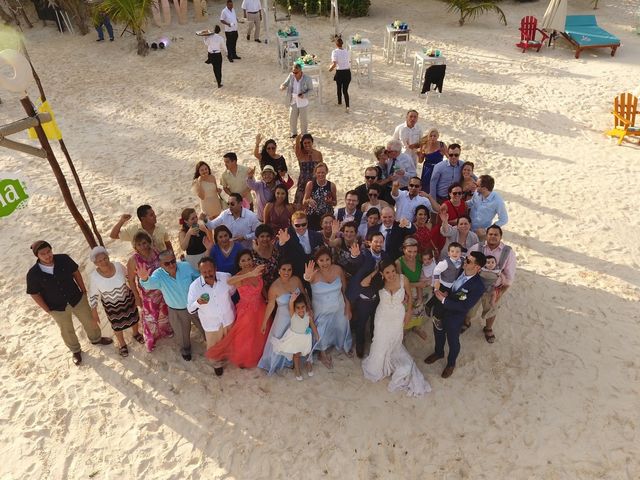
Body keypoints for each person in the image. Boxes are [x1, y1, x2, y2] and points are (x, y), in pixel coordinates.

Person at [26, 241, 113, 366]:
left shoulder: (64, 259)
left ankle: (96, 339)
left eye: (49, 251)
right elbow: (34, 293)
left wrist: (83, 290)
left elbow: (76, 272)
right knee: (66, 330)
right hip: (56, 307)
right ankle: (75, 350)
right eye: (43, 254)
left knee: (89, 320)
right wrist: (47, 309)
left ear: (51, 250)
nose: (47, 255)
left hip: (76, 298)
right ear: (37, 256)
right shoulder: (33, 274)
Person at [362, 259, 431, 396]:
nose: (391, 274)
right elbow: (364, 283)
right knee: (380, 340)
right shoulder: (379, 282)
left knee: (395, 341)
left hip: (398, 315)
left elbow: (410, 297)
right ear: (382, 273)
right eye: (387, 272)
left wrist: (409, 312)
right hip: (382, 316)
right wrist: (377, 272)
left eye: (393, 271)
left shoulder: (402, 279)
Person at [425, 251, 486, 378]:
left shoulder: (478, 286)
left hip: (455, 316)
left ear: (477, 268)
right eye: (466, 259)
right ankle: (438, 353)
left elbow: (464, 305)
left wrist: (444, 300)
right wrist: (444, 294)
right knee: (438, 333)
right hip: (441, 309)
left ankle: (451, 364)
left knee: (453, 341)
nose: (464, 261)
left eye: (469, 261)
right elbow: (449, 285)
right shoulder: (459, 270)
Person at [137, 250, 204, 361]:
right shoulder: (158, 274)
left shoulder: (185, 266)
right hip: (176, 310)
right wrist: (144, 278)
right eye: (167, 263)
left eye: (173, 261)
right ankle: (186, 349)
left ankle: (214, 345)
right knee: (182, 334)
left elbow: (198, 278)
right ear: (160, 264)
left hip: (195, 305)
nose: (172, 265)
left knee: (205, 326)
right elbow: (149, 284)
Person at [206, 250, 268, 368]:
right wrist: (250, 274)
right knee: (245, 336)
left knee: (259, 333)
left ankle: (258, 355)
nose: (246, 262)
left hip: (260, 307)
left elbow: (262, 286)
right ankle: (244, 358)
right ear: (239, 263)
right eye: (243, 261)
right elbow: (229, 281)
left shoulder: (258, 271)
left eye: (249, 259)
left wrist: (266, 298)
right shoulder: (238, 277)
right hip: (246, 311)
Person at [88, 247, 143, 357]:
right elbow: (93, 295)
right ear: (95, 263)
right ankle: (122, 344)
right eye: (100, 261)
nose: (103, 262)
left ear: (108, 257)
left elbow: (130, 277)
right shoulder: (94, 277)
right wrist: (94, 312)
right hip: (111, 305)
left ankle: (136, 333)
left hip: (127, 298)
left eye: (105, 258)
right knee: (117, 325)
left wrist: (137, 293)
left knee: (133, 317)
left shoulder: (118, 266)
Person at [303, 249, 352, 368]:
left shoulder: (338, 269)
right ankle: (322, 353)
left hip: (339, 306)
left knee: (342, 325)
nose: (325, 263)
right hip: (321, 310)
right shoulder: (313, 273)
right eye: (321, 260)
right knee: (321, 331)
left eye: (327, 260)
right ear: (316, 261)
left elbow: (344, 289)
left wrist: (348, 305)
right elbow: (307, 279)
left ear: (331, 259)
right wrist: (307, 275)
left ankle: (343, 345)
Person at [187, 257, 236, 376]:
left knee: (230, 341)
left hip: (228, 319)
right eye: (204, 272)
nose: (208, 274)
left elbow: (232, 291)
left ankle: (231, 358)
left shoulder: (226, 277)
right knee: (214, 347)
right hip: (211, 324)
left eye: (210, 271)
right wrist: (198, 302)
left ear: (215, 269)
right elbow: (190, 309)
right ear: (200, 272)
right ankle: (217, 365)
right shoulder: (194, 287)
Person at [258, 259, 308, 374]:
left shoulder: (296, 280)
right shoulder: (274, 287)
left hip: (298, 316)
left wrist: (309, 308)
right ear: (279, 271)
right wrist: (264, 322)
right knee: (282, 340)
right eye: (284, 269)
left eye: (289, 270)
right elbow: (270, 305)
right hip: (283, 318)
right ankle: (284, 362)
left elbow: (304, 295)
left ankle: (294, 361)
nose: (287, 272)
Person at [468, 225, 516, 343]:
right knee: (470, 307)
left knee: (491, 309)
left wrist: (500, 293)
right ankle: (466, 322)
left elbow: (509, 275)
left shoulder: (508, 252)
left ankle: (488, 328)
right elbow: (467, 263)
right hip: (476, 285)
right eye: (490, 234)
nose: (493, 237)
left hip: (494, 288)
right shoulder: (477, 247)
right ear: (486, 235)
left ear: (500, 236)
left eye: (496, 235)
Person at [127, 232, 172, 352]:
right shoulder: (133, 260)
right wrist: (136, 296)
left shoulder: (156, 252)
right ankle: (151, 339)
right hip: (147, 295)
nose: (143, 246)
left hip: (162, 290)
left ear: (149, 242)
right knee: (149, 318)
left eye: (144, 243)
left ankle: (165, 331)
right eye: (139, 244)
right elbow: (131, 280)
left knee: (163, 313)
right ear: (135, 246)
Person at [346, 232, 388, 358]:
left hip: (377, 296)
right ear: (369, 242)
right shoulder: (364, 254)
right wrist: (354, 256)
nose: (379, 244)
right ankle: (360, 345)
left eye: (381, 241)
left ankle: (375, 343)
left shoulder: (385, 255)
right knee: (361, 323)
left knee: (376, 322)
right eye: (376, 241)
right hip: (363, 297)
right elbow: (356, 261)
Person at [272, 290, 319, 380]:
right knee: (296, 355)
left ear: (306, 307)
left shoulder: (308, 315)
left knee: (308, 353)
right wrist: (292, 300)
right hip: (295, 338)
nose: (301, 310)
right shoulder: (293, 315)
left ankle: (309, 365)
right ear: (294, 308)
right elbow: (290, 306)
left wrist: (316, 334)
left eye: (303, 307)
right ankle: (297, 370)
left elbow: (312, 324)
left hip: (306, 338)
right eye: (298, 307)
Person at [275, 211, 324, 281]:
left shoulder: (317, 236)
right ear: (292, 224)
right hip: (296, 275)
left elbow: (322, 253)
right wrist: (282, 242)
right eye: (297, 225)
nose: (301, 227)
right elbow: (280, 252)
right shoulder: (288, 237)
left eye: (304, 224)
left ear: (307, 222)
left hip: (315, 273)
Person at [395, 238, 428, 339]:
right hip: (406, 292)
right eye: (409, 251)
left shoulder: (419, 258)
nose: (412, 254)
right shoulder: (398, 262)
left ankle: (416, 327)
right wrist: (418, 284)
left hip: (419, 290)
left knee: (419, 310)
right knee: (406, 312)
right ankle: (404, 330)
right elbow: (401, 283)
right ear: (404, 249)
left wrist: (420, 290)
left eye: (415, 251)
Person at [466, 174, 508, 240]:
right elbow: (471, 202)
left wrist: (487, 229)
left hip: (481, 233)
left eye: (477, 185)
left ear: (484, 189)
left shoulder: (497, 201)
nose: (475, 186)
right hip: (468, 227)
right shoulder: (477, 192)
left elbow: (504, 219)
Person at [280, 63, 313, 138]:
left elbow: (311, 91)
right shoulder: (291, 76)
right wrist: (282, 86)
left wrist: (304, 95)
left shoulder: (307, 78)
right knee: (292, 118)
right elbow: (285, 84)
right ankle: (293, 133)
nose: (294, 74)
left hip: (303, 101)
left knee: (303, 120)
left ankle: (304, 134)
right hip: (293, 100)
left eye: (296, 72)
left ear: (301, 71)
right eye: (293, 72)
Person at [303, 162, 337, 231]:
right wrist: (309, 200)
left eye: (322, 172)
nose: (320, 174)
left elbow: (335, 202)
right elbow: (304, 202)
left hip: (326, 216)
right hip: (313, 215)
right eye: (318, 173)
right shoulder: (311, 184)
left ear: (326, 172)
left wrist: (330, 202)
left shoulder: (331, 185)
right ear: (315, 173)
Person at [294, 133, 323, 206]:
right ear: (302, 144)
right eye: (305, 143)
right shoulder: (300, 153)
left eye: (309, 142)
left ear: (312, 142)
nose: (307, 144)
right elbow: (296, 147)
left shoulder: (318, 154)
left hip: (315, 183)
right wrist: (298, 139)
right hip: (302, 183)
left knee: (314, 206)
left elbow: (321, 169)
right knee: (299, 206)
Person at [418, 128, 448, 193]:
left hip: (438, 169)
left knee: (437, 187)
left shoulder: (441, 145)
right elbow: (420, 161)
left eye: (434, 136)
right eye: (431, 136)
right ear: (428, 136)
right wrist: (420, 153)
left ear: (437, 136)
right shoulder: (424, 146)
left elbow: (449, 158)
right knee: (426, 188)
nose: (432, 137)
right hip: (427, 170)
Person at [251, 224, 280, 288]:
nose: (265, 239)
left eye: (267, 236)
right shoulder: (252, 254)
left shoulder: (276, 250)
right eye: (262, 236)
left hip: (277, 285)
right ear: (257, 238)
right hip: (260, 288)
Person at [328, 37, 351, 112]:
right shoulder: (347, 51)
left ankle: (339, 102)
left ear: (336, 44)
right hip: (347, 72)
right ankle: (347, 106)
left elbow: (334, 64)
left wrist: (330, 69)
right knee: (345, 90)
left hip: (340, 72)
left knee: (339, 88)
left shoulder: (335, 52)